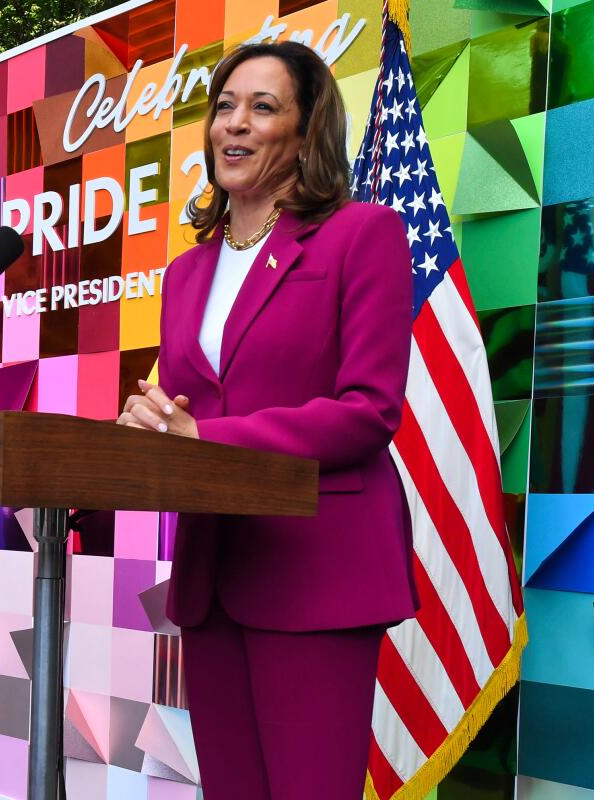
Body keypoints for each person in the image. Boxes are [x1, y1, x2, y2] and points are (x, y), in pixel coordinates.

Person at [117, 42, 417, 799]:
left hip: (318, 567)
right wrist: (144, 433)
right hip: (216, 572)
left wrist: (203, 440)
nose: (234, 125)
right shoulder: (187, 271)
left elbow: (370, 409)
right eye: (224, 106)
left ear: (306, 130)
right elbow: (190, 407)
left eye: (262, 107)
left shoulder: (362, 233)